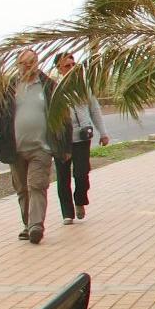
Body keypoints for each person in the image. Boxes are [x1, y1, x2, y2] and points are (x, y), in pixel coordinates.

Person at [0, 49, 71, 244]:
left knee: (36, 185)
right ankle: (28, 224)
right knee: (22, 189)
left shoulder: (49, 86)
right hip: (15, 148)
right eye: (24, 63)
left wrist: (66, 147)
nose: (28, 66)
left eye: (31, 62)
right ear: (18, 65)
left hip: (42, 148)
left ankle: (36, 226)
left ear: (37, 63)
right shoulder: (7, 88)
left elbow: (64, 118)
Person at [53, 53, 110, 225]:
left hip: (82, 137)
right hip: (62, 139)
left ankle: (80, 201)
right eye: (66, 66)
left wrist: (103, 133)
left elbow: (95, 110)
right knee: (63, 176)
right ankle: (67, 213)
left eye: (73, 65)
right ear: (58, 68)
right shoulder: (53, 87)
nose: (71, 68)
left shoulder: (83, 86)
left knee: (81, 174)